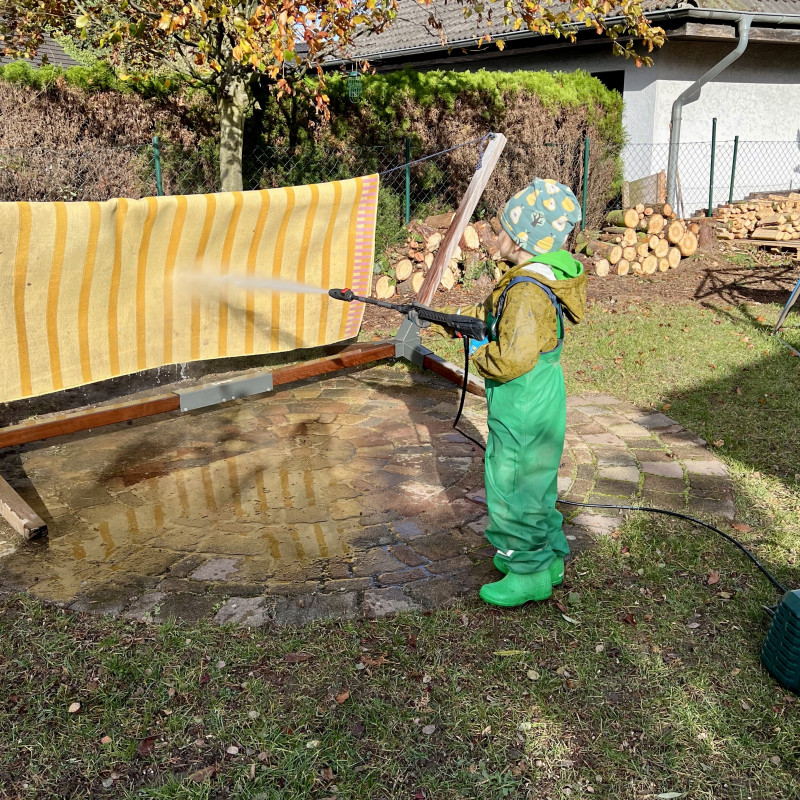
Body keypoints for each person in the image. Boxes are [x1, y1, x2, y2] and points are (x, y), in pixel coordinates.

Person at [436, 178, 586, 607]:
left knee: (511, 481)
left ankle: (528, 575)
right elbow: (501, 322)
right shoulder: (542, 277)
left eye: (500, 227)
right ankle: (549, 557)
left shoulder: (523, 291)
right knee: (536, 482)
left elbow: (512, 358)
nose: (492, 233)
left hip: (520, 399)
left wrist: (479, 354)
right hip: (543, 395)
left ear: (520, 237)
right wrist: (460, 321)